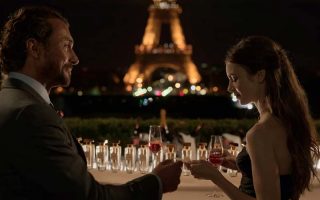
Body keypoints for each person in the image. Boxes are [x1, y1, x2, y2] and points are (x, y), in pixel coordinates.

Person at [0, 6, 182, 199]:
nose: (75, 59)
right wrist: (156, 182)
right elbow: (89, 196)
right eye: (66, 46)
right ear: (34, 48)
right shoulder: (32, 113)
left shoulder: (9, 99)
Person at [187, 36, 320, 200]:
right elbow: (280, 175)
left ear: (260, 76)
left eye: (234, 78)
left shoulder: (260, 133)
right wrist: (241, 165)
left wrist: (216, 177)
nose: (229, 88)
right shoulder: (284, 121)